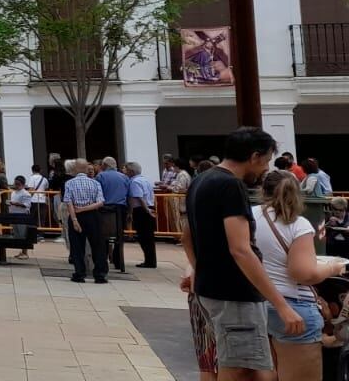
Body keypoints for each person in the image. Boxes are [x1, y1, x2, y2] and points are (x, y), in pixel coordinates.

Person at [185, 127, 301, 380]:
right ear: (255, 156)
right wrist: (281, 305)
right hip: (235, 293)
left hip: (212, 289)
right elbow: (240, 249)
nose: (265, 169)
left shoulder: (200, 180)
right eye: (267, 160)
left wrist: (198, 269)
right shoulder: (230, 186)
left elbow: (188, 234)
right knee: (240, 367)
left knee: (241, 365)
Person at [251, 170, 345, 380]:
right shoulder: (297, 224)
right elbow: (303, 273)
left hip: (255, 304)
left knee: (266, 373)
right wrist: (333, 268)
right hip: (294, 307)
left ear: (262, 190)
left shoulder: (247, 217)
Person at [62, 158, 108, 284]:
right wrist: (85, 208)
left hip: (76, 215)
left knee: (77, 247)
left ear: (76, 168)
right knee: (98, 245)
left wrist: (75, 218)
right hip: (93, 216)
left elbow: (69, 202)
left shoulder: (69, 183)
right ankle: (100, 274)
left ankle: (79, 273)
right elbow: (100, 202)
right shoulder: (95, 183)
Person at [96, 157, 130, 274]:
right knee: (119, 237)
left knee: (103, 237)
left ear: (104, 165)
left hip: (105, 210)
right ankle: (118, 261)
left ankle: (103, 261)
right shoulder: (124, 177)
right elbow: (128, 195)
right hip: (120, 210)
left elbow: (98, 193)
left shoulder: (100, 176)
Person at [125, 161, 157, 269]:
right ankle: (151, 260)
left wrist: (146, 210)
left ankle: (149, 261)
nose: (125, 172)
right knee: (149, 237)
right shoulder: (145, 180)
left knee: (144, 237)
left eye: (126, 170)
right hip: (149, 207)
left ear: (131, 171)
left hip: (142, 210)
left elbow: (139, 197)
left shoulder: (134, 182)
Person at [9, 176, 33, 260]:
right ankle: (22, 251)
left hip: (22, 215)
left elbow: (27, 205)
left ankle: (25, 252)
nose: (16, 185)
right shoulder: (13, 192)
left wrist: (17, 204)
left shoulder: (26, 193)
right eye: (15, 184)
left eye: (18, 184)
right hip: (14, 214)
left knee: (23, 233)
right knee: (17, 233)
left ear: (22, 184)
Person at [27, 165, 50, 234]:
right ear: (40, 170)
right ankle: (41, 234)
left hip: (34, 200)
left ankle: (33, 234)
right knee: (42, 218)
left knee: (33, 218)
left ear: (32, 170)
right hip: (43, 200)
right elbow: (46, 189)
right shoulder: (44, 179)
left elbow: (31, 189)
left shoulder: (32, 178)